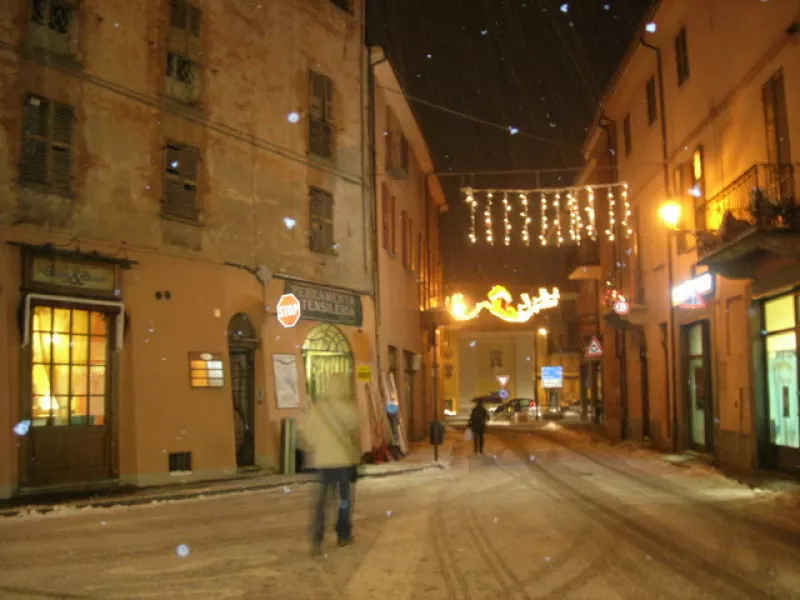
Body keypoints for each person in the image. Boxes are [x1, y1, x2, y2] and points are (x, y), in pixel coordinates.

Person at [300, 373, 361, 556]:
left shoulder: (317, 410)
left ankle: (316, 540)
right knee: (343, 501)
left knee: (321, 503)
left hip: (323, 462)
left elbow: (308, 437)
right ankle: (343, 535)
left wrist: (317, 447)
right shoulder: (348, 408)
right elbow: (355, 430)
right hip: (343, 462)